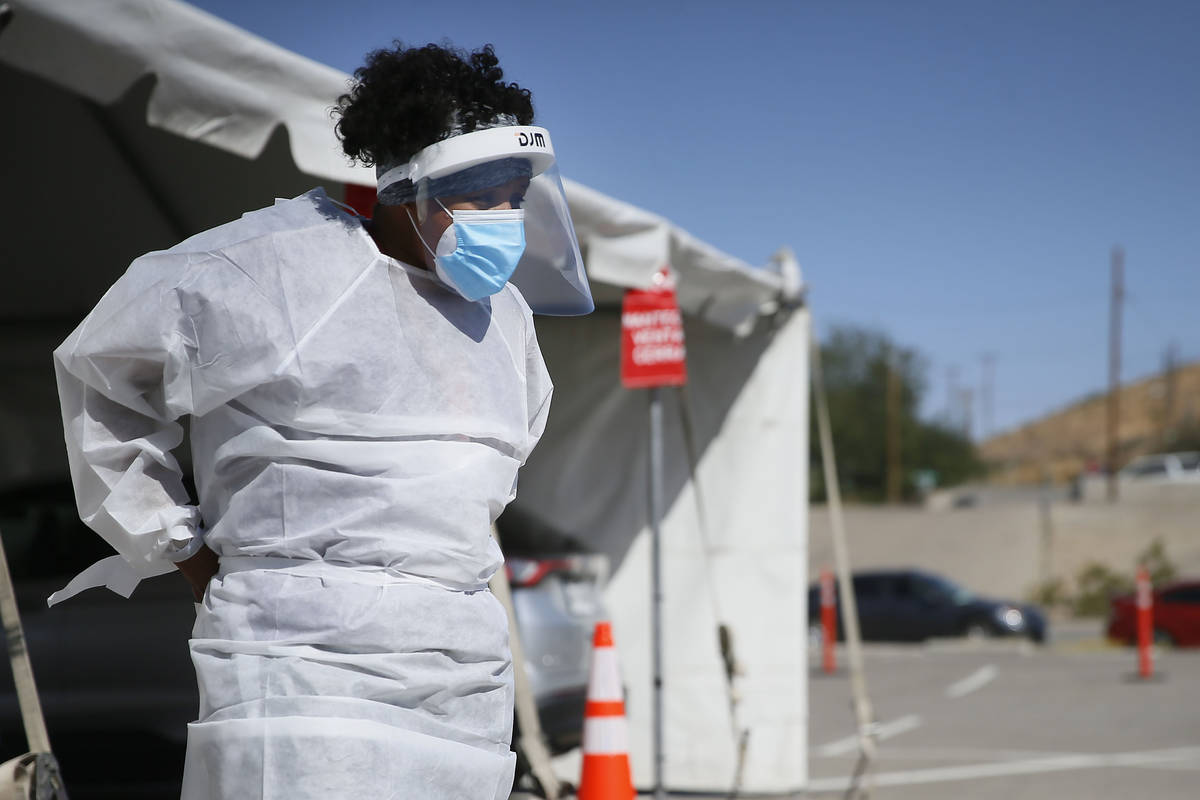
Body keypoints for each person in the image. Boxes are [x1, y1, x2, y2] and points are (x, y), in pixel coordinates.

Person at [51, 42, 591, 799]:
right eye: (479, 196)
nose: (504, 218)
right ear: (406, 188)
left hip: (463, 688)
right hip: (297, 680)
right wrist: (181, 547)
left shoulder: (504, 321)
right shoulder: (267, 271)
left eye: (514, 196)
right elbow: (102, 376)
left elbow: (488, 473)